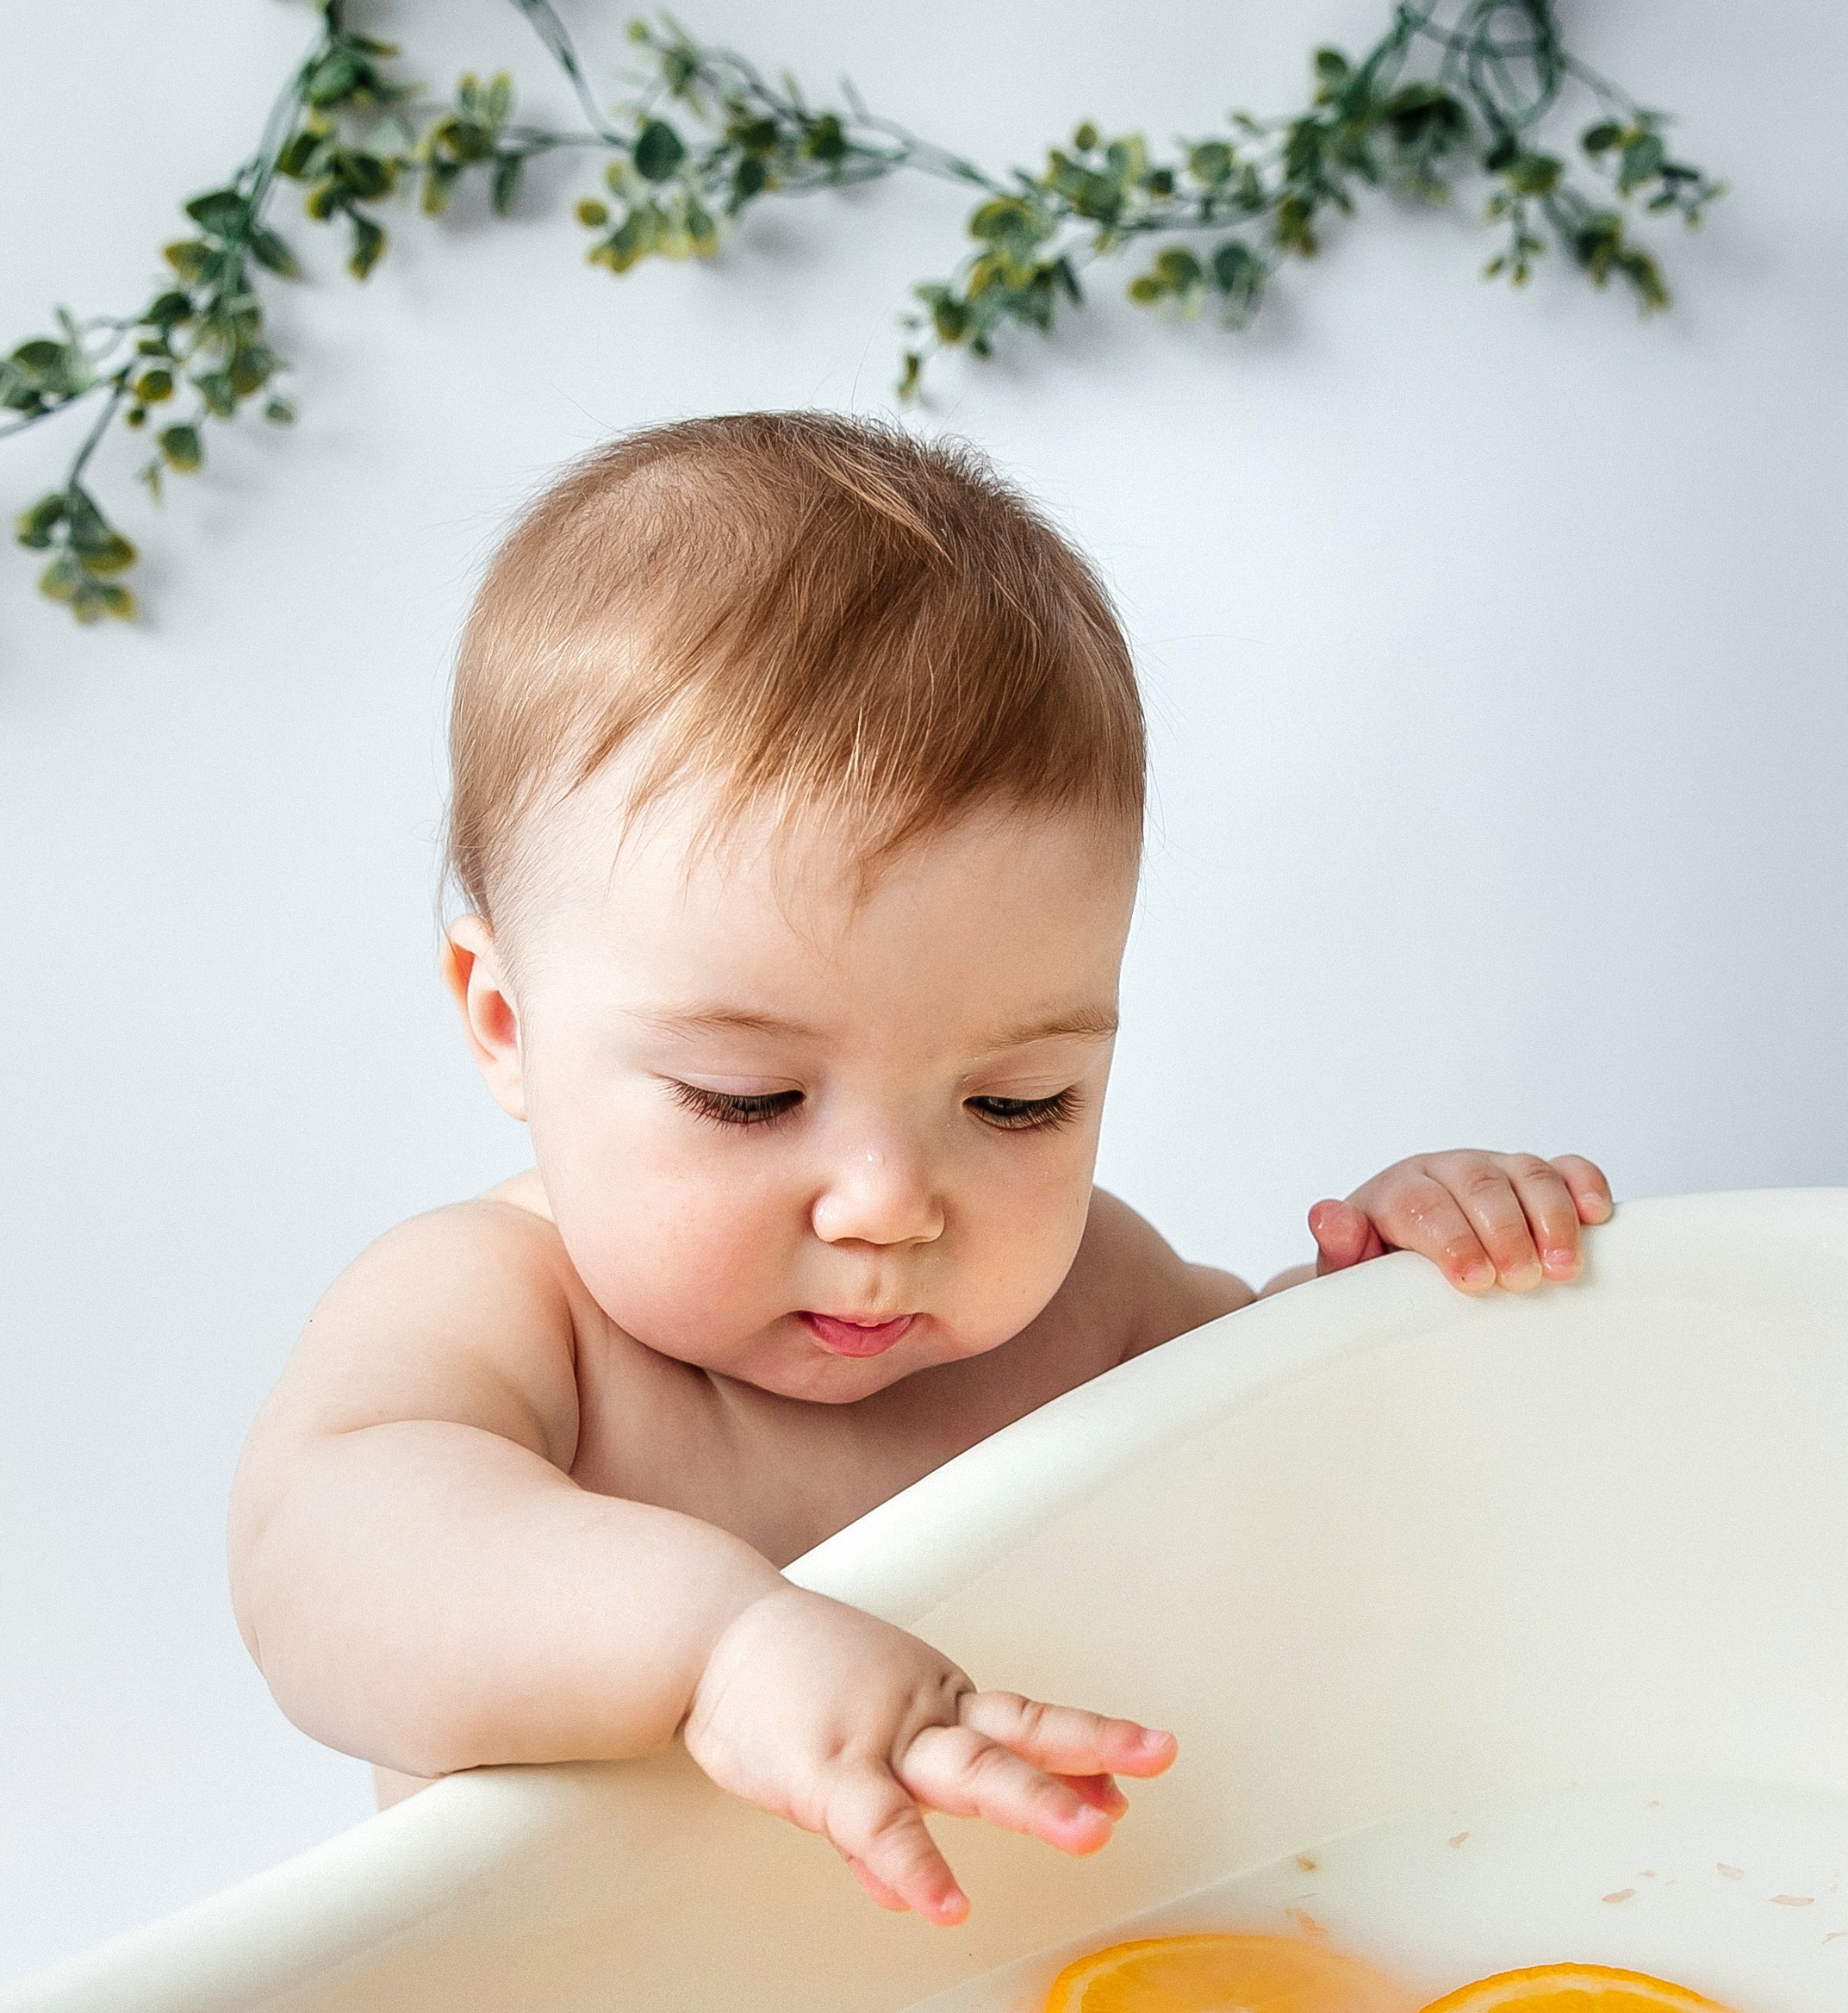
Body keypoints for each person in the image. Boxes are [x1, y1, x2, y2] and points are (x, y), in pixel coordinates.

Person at [230, 413, 1609, 1927]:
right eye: (749, 1099)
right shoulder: (497, 1317)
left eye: (1017, 1102)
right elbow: (324, 1566)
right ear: (507, 1021)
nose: (890, 1204)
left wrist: (1383, 1296)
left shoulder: (1095, 1302)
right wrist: (710, 1646)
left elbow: (1282, 1457)